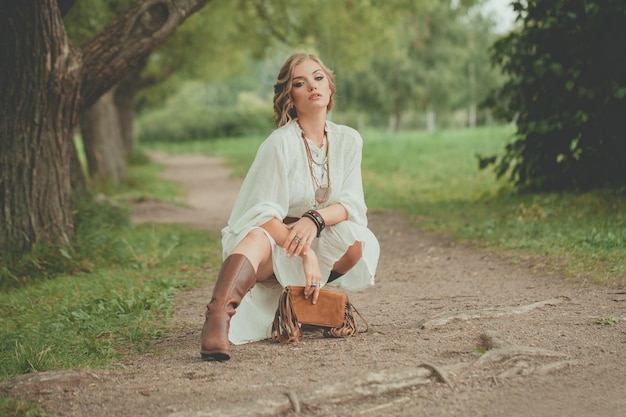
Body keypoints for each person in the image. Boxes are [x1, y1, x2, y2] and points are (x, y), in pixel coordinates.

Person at [200, 52, 380, 361]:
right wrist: (304, 250)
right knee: (257, 235)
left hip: (314, 232)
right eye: (301, 83)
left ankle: (303, 304)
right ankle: (217, 316)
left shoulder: (350, 140)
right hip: (274, 240)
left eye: (318, 78)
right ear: (290, 97)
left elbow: (351, 202)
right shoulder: (279, 143)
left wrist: (314, 220)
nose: (313, 86)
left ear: (330, 88)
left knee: (357, 239)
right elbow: (260, 213)